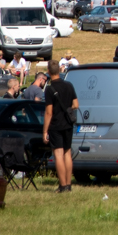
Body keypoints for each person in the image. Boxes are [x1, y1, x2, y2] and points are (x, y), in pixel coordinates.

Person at [43, 63, 80, 193]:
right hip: (68, 124)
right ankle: (68, 184)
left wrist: (45, 131)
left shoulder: (49, 89)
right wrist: (67, 108)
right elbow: (76, 104)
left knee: (58, 154)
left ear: (48, 71)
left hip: (56, 125)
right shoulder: (69, 85)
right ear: (59, 70)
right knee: (67, 153)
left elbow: (49, 112)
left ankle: (62, 185)